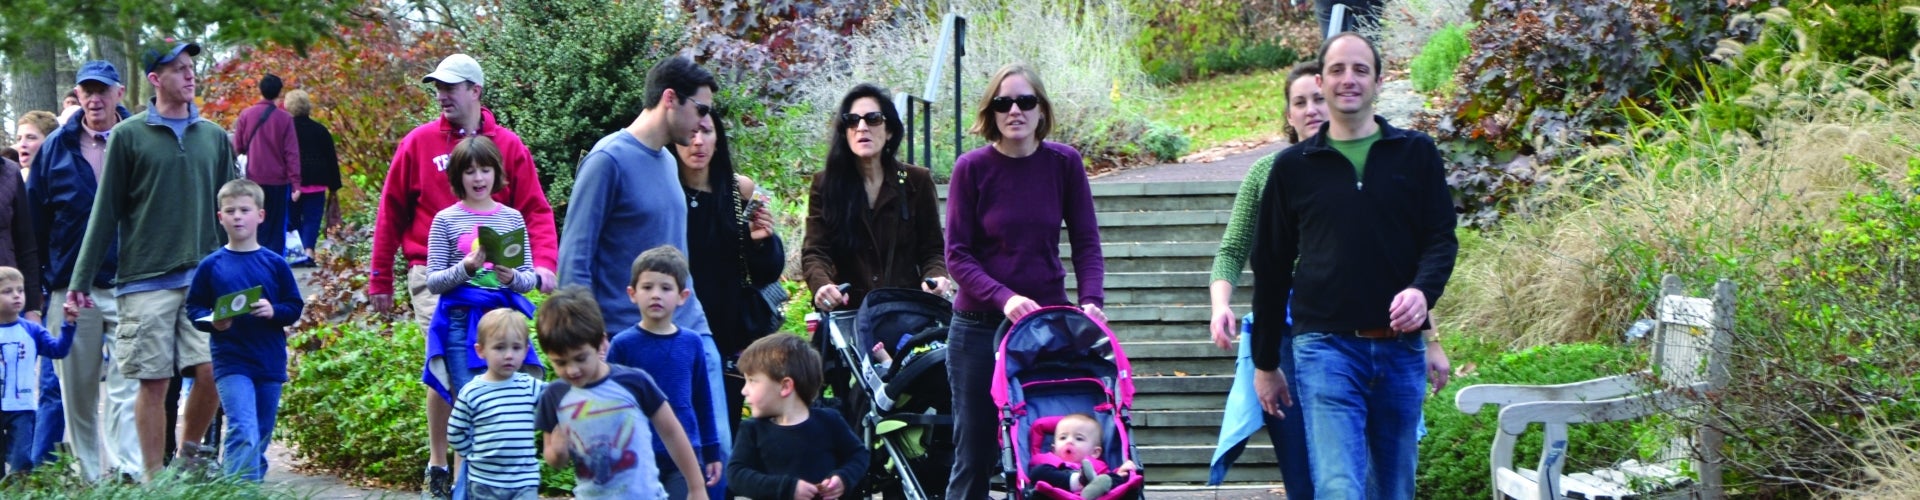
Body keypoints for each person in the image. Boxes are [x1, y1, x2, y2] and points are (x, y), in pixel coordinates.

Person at [1249, 33, 1459, 499]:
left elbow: (1441, 239)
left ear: (1379, 82)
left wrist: (1424, 292)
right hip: (1325, 349)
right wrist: (1265, 362)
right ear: (1321, 82)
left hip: (1400, 350)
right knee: (1339, 486)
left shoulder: (1416, 153)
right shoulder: (1292, 168)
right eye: (1339, 70)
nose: (1349, 79)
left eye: (1361, 70)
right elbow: (1272, 266)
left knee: (1393, 488)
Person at [368, 53, 559, 498]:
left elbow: (534, 209)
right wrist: (380, 277)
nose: (441, 94)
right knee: (452, 362)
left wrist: (541, 267)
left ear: (476, 91)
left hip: (498, 282)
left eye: (451, 86)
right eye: (438, 86)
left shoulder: (506, 146)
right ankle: (446, 467)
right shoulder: (417, 143)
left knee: (498, 363)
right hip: (435, 274)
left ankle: (482, 465)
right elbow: (390, 211)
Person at [66, 40, 238, 480]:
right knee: (154, 380)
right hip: (144, 280)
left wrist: (239, 271)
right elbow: (105, 213)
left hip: (204, 279)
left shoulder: (215, 138)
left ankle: (186, 461)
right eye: (178, 68)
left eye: (191, 67)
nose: (189, 74)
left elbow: (231, 211)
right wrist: (79, 283)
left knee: (212, 370)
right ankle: (152, 480)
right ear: (155, 80)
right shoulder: (128, 137)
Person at [558, 55, 731, 477]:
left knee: (715, 453)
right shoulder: (608, 161)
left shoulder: (668, 162)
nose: (704, 123)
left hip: (690, 332)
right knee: (639, 467)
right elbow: (574, 260)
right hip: (628, 342)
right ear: (671, 99)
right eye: (702, 109)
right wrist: (586, 340)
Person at [944, 63, 1106, 500]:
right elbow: (956, 253)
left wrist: (1091, 301)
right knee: (974, 452)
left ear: (1041, 109)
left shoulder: (1063, 163)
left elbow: (1087, 242)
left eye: (1025, 101)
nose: (1014, 110)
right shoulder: (972, 168)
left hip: (1047, 327)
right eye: (1003, 102)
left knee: (1044, 447)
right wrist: (1003, 297)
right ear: (991, 112)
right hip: (979, 328)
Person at [1204, 61, 1324, 495]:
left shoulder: (1358, 170)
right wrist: (1221, 306)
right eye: (1300, 102)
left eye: (1319, 98)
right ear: (1288, 115)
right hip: (1284, 335)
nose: (1312, 109)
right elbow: (1233, 250)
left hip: (1344, 330)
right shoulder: (1266, 173)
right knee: (1300, 471)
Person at [27, 59, 144, 483]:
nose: (94, 98)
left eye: (102, 90)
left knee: (128, 382)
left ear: (119, 92)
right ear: (77, 95)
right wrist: (39, 291)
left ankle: (127, 471)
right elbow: (34, 221)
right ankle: (93, 477)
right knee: (76, 391)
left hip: (131, 283)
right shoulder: (56, 148)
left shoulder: (140, 139)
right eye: (86, 91)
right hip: (71, 288)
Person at [424, 134, 544, 500]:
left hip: (505, 323)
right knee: (469, 403)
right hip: (463, 325)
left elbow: (526, 278)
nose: (478, 178)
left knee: (504, 403)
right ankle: (462, 487)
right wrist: (466, 267)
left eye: (485, 169)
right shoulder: (445, 220)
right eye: (470, 171)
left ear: (497, 173)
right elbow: (433, 281)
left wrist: (513, 277)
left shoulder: (511, 217)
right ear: (458, 176)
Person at [532, 286, 709, 500]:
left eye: (580, 358)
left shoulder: (634, 382)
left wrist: (696, 487)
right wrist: (558, 451)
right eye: (560, 362)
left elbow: (672, 432)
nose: (572, 370)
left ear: (600, 343)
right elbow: (553, 459)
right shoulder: (555, 396)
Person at [183, 179, 304, 481]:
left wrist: (273, 311)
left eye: (244, 210)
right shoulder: (212, 265)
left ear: (260, 215)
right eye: (230, 210)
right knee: (243, 428)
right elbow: (194, 308)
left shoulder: (275, 263)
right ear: (219, 217)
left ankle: (248, 483)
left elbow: (294, 306)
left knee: (261, 433)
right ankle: (238, 490)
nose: (238, 216)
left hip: (269, 361)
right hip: (230, 360)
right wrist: (213, 321)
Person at [670, 110, 783, 436]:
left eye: (706, 131)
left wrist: (762, 242)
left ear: (718, 138)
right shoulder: (664, 191)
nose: (697, 141)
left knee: (725, 433)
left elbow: (767, 272)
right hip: (677, 327)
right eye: (689, 133)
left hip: (730, 333)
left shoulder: (739, 190)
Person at [801, 83, 951, 313]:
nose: (862, 127)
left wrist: (936, 277)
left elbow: (933, 250)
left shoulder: (913, 179)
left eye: (873, 119)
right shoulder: (826, 184)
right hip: (849, 313)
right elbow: (815, 252)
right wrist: (823, 286)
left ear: (889, 130)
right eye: (852, 120)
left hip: (906, 312)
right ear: (845, 131)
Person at [604, 246, 721, 500]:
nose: (656, 295)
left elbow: (702, 400)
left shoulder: (692, 343)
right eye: (647, 287)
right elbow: (610, 404)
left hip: (685, 455)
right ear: (632, 293)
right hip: (637, 457)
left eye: (665, 288)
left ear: (682, 296)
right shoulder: (622, 345)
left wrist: (711, 451)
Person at [726, 333, 868, 500]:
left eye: (752, 381)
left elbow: (859, 455)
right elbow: (736, 476)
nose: (744, 390)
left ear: (785, 386)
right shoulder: (753, 430)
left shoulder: (829, 421)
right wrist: (786, 488)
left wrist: (843, 478)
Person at [448, 309, 544, 500]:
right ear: (480, 350)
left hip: (524, 482)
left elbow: (559, 399)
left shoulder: (530, 386)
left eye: (516, 348)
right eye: (500, 348)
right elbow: (455, 432)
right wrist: (474, 453)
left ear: (526, 350)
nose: (509, 355)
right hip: (484, 481)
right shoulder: (472, 391)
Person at [0, 266, 70, 474]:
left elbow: (58, 350)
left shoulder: (32, 330)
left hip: (22, 406)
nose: (16, 296)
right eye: (7, 291)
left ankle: (19, 493)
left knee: (22, 460)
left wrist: (69, 325)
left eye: (20, 291)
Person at [228, 73, 300, 258]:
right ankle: (274, 265)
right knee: (277, 227)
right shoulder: (285, 119)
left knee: (254, 223)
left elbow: (238, 147)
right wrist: (296, 183)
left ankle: (253, 261)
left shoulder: (246, 115)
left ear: (260, 90)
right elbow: (291, 153)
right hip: (278, 180)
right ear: (279, 92)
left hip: (254, 179)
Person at [283, 89, 341, 262]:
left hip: (293, 184)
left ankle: (298, 252)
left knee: (293, 218)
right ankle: (309, 251)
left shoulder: (285, 131)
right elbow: (331, 158)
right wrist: (334, 185)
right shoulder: (320, 130)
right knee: (313, 218)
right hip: (317, 182)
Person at [1029, 413, 1138, 500]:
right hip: (1058, 494)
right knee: (1038, 472)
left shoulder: (1097, 465)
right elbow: (1036, 475)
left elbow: (1112, 479)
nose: (1069, 441)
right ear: (1053, 449)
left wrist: (1119, 474)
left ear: (1095, 452)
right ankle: (1078, 481)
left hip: (1096, 493)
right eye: (1063, 438)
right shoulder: (1049, 460)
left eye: (1079, 438)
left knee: (1114, 480)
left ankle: (1091, 485)